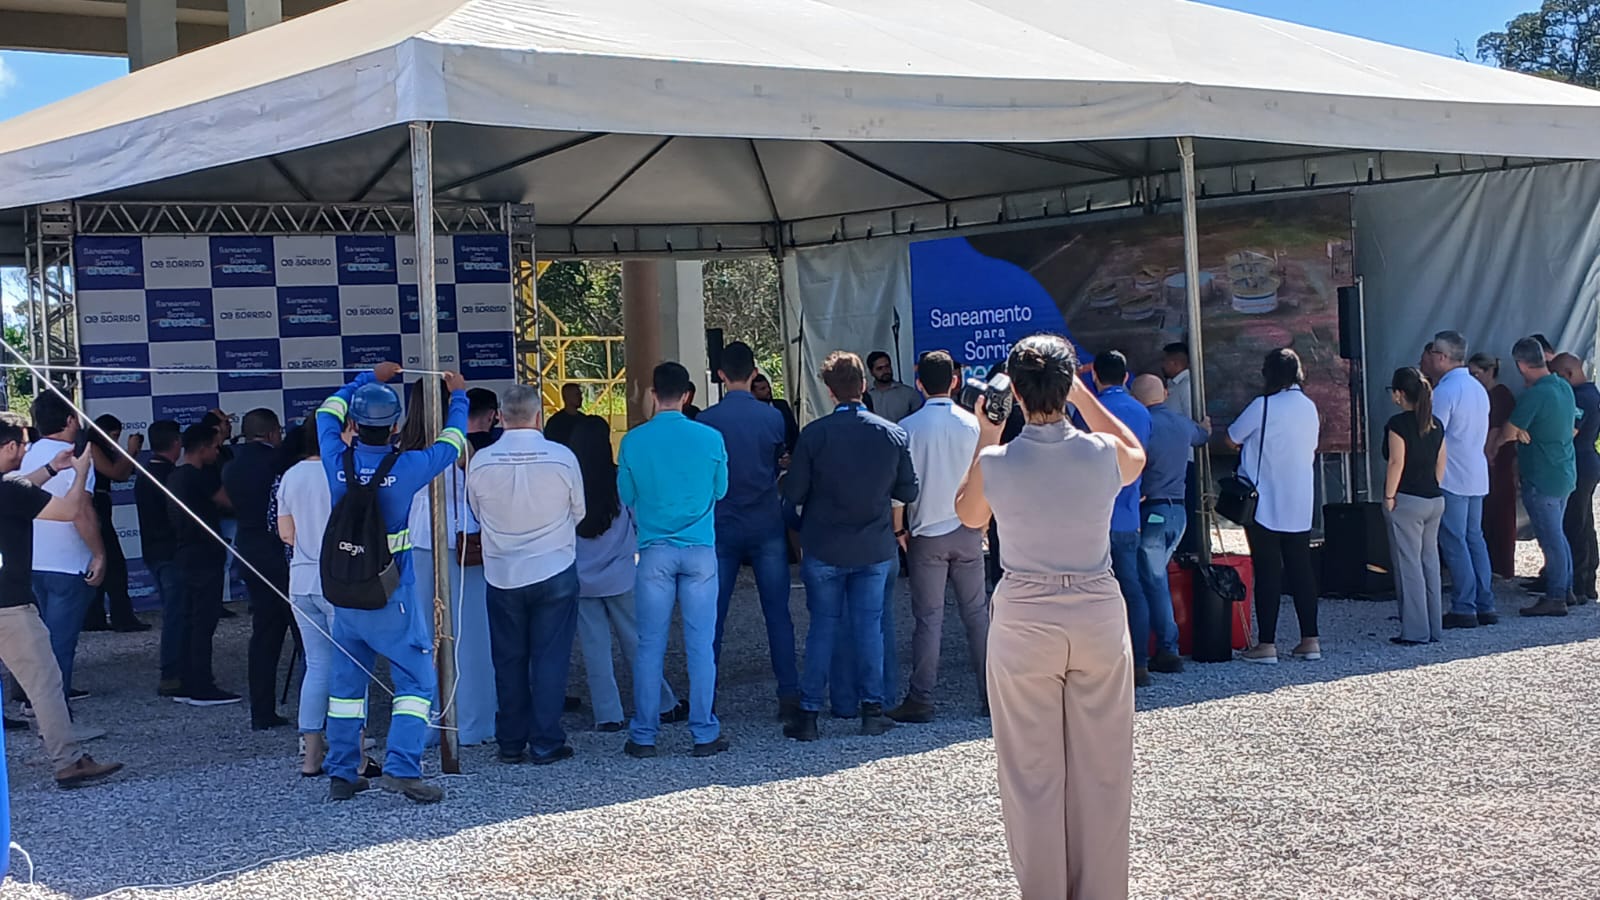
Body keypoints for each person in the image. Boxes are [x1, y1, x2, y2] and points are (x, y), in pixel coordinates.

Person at [952, 333, 1144, 900]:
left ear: (1014, 387)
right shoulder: (1100, 454)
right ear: (1067, 384)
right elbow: (1135, 452)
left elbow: (967, 514)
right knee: (1104, 772)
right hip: (1095, 609)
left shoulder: (998, 461)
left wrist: (989, 430)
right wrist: (1084, 399)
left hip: (1025, 618)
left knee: (1032, 776)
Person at [316, 361, 469, 803]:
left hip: (345, 593)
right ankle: (402, 767)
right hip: (390, 595)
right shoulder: (409, 468)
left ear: (355, 425)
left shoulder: (334, 458)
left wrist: (367, 380)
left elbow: (326, 414)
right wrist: (457, 395)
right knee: (417, 683)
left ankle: (343, 773)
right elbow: (454, 441)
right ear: (397, 426)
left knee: (346, 688)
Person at [781, 351, 918, 741]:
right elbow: (908, 489)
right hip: (874, 546)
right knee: (870, 626)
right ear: (863, 385)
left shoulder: (814, 435)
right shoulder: (892, 434)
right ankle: (871, 709)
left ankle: (809, 714)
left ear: (829, 391)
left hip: (824, 544)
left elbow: (794, 492)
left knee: (822, 627)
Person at [0, 413, 124, 788]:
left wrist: (52, 470)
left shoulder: (10, 489)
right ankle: (68, 761)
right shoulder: (11, 492)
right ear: (8, 447)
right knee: (46, 683)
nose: (27, 450)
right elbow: (70, 511)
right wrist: (83, 471)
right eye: (23, 444)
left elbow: (19, 488)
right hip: (10, 606)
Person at [466, 384, 585, 766]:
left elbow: (476, 514)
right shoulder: (562, 457)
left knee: (509, 659)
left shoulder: (481, 461)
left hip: (502, 572)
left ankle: (511, 741)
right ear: (539, 416)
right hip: (554, 567)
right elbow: (578, 512)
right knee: (550, 658)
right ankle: (546, 741)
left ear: (500, 416)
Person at [616, 362, 729, 759]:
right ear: (687, 396)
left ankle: (644, 735)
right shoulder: (711, 438)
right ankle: (704, 732)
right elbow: (721, 491)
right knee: (700, 644)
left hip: (653, 551)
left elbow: (627, 496)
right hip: (699, 549)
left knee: (650, 645)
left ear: (652, 394)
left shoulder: (633, 441)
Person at [696, 341, 800, 719]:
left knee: (713, 614)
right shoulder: (771, 417)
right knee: (777, 612)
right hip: (766, 522)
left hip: (722, 523)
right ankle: (789, 692)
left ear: (720, 375)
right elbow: (777, 462)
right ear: (754, 372)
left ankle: (706, 697)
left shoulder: (706, 421)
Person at [564, 415, 682, 731]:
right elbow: (639, 520)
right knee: (639, 642)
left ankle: (608, 715)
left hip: (581, 579)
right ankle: (662, 704)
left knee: (594, 649)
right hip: (621, 576)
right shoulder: (620, 481)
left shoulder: (567, 482)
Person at [886, 350, 986, 724]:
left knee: (928, 619)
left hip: (925, 532)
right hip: (968, 529)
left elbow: (900, 488)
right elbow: (986, 477)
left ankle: (921, 698)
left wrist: (899, 528)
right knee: (977, 615)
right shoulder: (974, 425)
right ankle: (991, 695)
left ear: (919, 382)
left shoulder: (906, 427)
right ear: (955, 381)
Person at [404, 378, 497, 747]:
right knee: (470, 639)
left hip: (417, 546)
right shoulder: (458, 447)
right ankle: (472, 722)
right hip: (459, 549)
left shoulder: (402, 447)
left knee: (425, 640)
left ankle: (428, 724)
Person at [1228, 348, 1322, 664]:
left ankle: (1266, 644)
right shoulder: (1309, 407)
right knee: (1301, 570)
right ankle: (1310, 639)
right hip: (1300, 499)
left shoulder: (1263, 406)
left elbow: (1231, 438)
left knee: (1268, 571)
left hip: (1264, 500)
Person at [20, 392, 106, 706]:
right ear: (70, 420)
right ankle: (52, 713)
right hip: (68, 562)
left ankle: (31, 699)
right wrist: (99, 553)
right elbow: (82, 510)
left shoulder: (25, 454)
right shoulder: (76, 455)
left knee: (34, 641)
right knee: (60, 643)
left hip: (30, 560)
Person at [221, 408, 295, 730]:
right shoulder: (279, 462)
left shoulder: (232, 466)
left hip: (249, 551)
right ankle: (316, 712)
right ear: (272, 433)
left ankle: (261, 711)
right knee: (307, 634)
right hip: (282, 552)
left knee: (264, 634)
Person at [1130, 374, 1209, 674]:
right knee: (1156, 576)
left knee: (1152, 580)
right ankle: (1165, 646)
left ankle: (1166, 647)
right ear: (1164, 393)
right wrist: (1206, 427)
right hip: (1178, 512)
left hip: (1152, 511)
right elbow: (1202, 436)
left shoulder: (1142, 427)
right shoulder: (1181, 424)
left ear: (1136, 398)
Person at [276, 421, 340, 775]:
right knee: (350, 664)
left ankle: (310, 755)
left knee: (316, 665)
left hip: (300, 578)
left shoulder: (290, 475)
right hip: (338, 580)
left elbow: (287, 534)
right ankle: (354, 750)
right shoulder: (341, 472)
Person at [1496, 337, 1577, 616]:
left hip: (1542, 475)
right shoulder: (1562, 386)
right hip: (1564, 471)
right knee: (1558, 534)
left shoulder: (1536, 395)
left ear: (1520, 365)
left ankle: (1555, 596)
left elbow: (1508, 431)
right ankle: (1565, 588)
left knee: (1550, 537)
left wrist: (1509, 437)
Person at [1424, 331, 1497, 629]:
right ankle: (1485, 603)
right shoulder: (1478, 388)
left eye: (1432, 355)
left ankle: (1465, 606)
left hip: (1451, 475)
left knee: (1454, 541)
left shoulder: (1444, 391)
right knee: (1474, 539)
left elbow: (1433, 435)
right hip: (1476, 473)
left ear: (1441, 357)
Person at [167, 423, 240, 706]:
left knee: (188, 620)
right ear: (202, 448)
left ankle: (185, 680)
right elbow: (228, 501)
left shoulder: (175, 476)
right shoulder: (199, 477)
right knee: (203, 622)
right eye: (214, 446)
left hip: (184, 554)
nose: (217, 451)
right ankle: (202, 684)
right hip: (203, 555)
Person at [1094, 351, 1154, 686]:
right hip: (1129, 514)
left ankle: (1106, 665)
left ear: (1096, 379)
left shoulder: (1091, 413)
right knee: (1133, 589)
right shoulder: (1142, 413)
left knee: (1096, 595)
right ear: (1126, 377)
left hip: (1096, 519)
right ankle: (1141, 662)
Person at [1382, 367, 1447, 645]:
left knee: (1409, 566)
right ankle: (1434, 627)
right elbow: (1441, 462)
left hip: (1408, 500)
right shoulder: (1436, 423)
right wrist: (1434, 485)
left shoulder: (1397, 424)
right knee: (1429, 563)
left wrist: (1389, 496)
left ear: (1399, 394)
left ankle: (1415, 631)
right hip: (1434, 498)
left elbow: (1397, 462)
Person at [136, 420, 187, 696]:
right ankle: (172, 674)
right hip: (171, 553)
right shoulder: (171, 476)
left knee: (174, 612)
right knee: (176, 614)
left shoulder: (144, 473)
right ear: (176, 443)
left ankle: (175, 670)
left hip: (152, 552)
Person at [85, 414, 148, 633]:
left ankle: (94, 616)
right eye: (113, 436)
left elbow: (122, 472)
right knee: (114, 563)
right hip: (95, 504)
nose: (115, 440)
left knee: (102, 561)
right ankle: (121, 617)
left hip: (101, 503)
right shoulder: (92, 446)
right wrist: (130, 451)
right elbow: (116, 473)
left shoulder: (99, 447)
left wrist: (131, 454)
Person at [1552, 353, 1599, 604]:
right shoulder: (1593, 393)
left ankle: (1580, 583)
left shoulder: (1581, 397)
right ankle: (1586, 579)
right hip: (1588, 459)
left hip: (1580, 461)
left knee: (1575, 524)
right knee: (1584, 522)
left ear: (1568, 373)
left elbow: (1570, 431)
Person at [1469, 354, 1519, 579]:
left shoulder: (1500, 395)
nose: (1473, 378)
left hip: (1497, 462)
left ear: (1490, 372)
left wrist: (1489, 454)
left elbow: (1496, 429)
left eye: (1476, 374)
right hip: (1487, 463)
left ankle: (1502, 567)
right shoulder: (1484, 395)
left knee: (1500, 514)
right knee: (1487, 514)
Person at [865, 350, 924, 423]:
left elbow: (920, 420)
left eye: (887, 366)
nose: (885, 371)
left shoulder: (909, 394)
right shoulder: (866, 395)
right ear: (871, 372)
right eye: (880, 368)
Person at [751, 372, 800, 453]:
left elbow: (793, 431)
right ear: (753, 393)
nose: (768, 390)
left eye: (768, 387)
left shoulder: (781, 405)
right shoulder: (752, 412)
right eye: (762, 389)